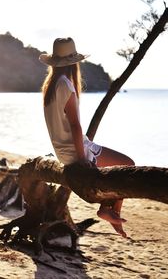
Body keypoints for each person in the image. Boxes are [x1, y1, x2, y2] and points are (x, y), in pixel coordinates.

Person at [39, 37, 135, 238]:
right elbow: (75, 125)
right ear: (73, 62)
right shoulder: (65, 84)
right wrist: (82, 159)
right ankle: (109, 211)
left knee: (120, 168)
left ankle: (108, 210)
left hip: (63, 152)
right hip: (76, 151)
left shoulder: (51, 84)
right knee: (128, 164)